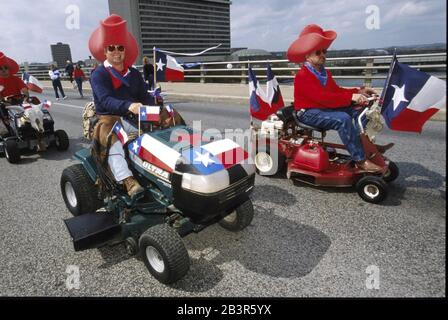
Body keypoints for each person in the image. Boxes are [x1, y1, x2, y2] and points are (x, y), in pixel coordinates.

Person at [287, 24, 393, 173]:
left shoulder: (324, 73)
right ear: (307, 56)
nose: (323, 55)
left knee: (359, 111)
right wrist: (352, 97)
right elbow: (323, 98)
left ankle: (368, 147)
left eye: (324, 51)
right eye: (318, 52)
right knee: (342, 119)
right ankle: (360, 160)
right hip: (307, 112)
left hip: (321, 108)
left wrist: (359, 91)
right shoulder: (303, 75)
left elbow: (336, 91)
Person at [89, 14, 156, 197]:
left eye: (120, 48)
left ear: (125, 50)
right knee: (111, 137)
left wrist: (154, 106)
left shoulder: (133, 73)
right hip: (109, 117)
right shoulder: (98, 74)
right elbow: (104, 100)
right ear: (105, 51)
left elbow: (144, 95)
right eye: (112, 48)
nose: (116, 52)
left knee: (167, 118)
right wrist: (129, 105)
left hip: (134, 115)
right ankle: (128, 180)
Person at [0, 52, 29, 134]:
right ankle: (5, 130)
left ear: (9, 68)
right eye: (0, 69)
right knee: (1, 109)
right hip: (4, 104)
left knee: (32, 109)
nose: (3, 70)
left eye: (5, 68)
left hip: (18, 101)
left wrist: (26, 99)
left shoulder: (16, 79)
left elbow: (24, 90)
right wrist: (4, 102)